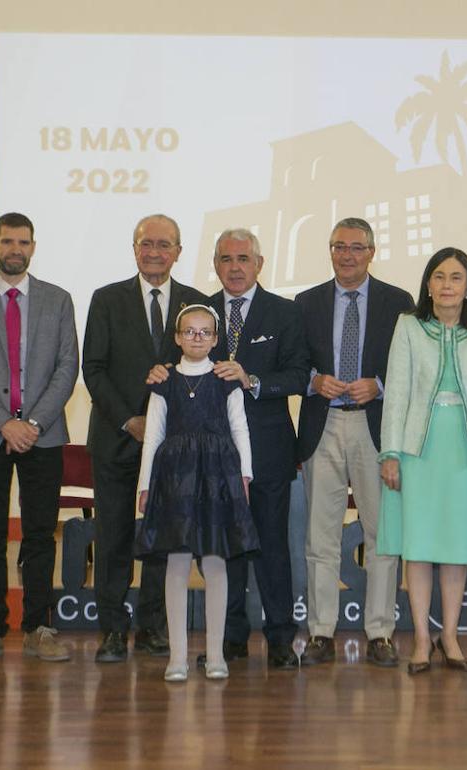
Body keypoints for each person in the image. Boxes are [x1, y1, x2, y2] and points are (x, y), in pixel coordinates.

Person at [83, 214, 207, 663]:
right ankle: (113, 630)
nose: (154, 252)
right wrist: (130, 421)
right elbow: (92, 368)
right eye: (146, 244)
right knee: (113, 536)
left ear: (179, 251)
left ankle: (153, 626)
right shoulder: (106, 299)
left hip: (174, 444)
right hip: (117, 439)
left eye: (164, 244)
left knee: (164, 539)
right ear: (134, 249)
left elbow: (205, 370)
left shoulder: (197, 304)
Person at [377, 247, 467, 675]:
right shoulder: (408, 326)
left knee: (455, 547)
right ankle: (419, 638)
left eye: (456, 277)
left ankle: (449, 636)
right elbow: (395, 392)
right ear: (428, 285)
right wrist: (391, 452)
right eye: (439, 276)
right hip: (419, 450)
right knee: (419, 546)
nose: (447, 285)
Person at [0, 212, 78, 665]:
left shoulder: (58, 300)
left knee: (41, 534)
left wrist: (33, 425)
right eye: (7, 241)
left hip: (42, 437)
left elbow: (68, 367)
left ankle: (39, 626)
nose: (15, 249)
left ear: (33, 246)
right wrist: (4, 423)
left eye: (23, 242)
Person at [294, 217, 414, 668]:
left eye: (356, 247)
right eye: (339, 247)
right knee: (319, 536)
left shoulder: (398, 302)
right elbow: (293, 360)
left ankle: (380, 631)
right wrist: (314, 379)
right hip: (322, 426)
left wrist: (379, 385)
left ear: (372, 251)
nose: (347, 255)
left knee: (382, 534)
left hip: (375, 428)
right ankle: (321, 630)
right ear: (330, 251)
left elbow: (408, 364)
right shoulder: (305, 303)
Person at [204, 228, 309, 670]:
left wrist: (254, 381)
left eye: (243, 258)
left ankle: (281, 637)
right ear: (215, 264)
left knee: (271, 546)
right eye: (226, 259)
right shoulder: (200, 311)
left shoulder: (284, 313)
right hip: (213, 451)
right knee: (224, 547)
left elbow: (300, 375)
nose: (235, 267)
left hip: (267, 447)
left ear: (260, 264)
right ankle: (229, 638)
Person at [135, 304, 257, 681]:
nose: (197, 338)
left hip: (219, 477)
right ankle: (178, 657)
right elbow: (152, 436)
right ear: (177, 337)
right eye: (190, 332)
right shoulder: (164, 382)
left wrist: (245, 476)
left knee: (216, 562)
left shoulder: (225, 380)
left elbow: (240, 430)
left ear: (216, 339)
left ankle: (216, 654)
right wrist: (144, 484)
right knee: (176, 562)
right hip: (175, 480)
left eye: (205, 332)